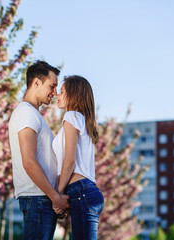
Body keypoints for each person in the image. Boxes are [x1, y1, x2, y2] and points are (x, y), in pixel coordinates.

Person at [8, 60, 70, 240]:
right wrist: (55, 198)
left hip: (42, 199)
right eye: (52, 86)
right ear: (36, 83)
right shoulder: (26, 113)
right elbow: (29, 161)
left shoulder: (33, 114)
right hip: (38, 199)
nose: (55, 93)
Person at [52, 75, 104, 240]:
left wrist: (58, 195)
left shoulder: (71, 116)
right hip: (86, 191)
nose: (57, 95)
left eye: (62, 91)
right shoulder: (82, 120)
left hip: (81, 192)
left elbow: (70, 160)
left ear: (74, 95)